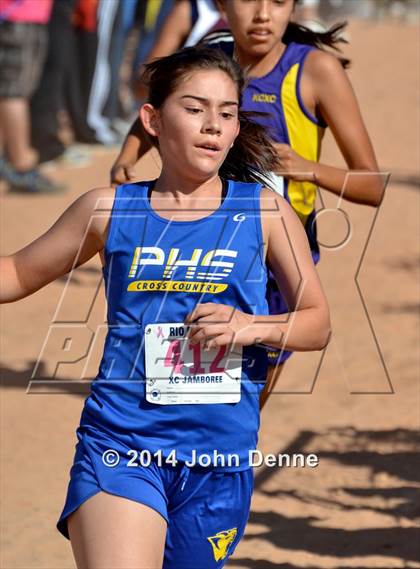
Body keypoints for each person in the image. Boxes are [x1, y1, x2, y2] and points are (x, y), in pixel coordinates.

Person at [1, 46, 330, 568]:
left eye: (226, 113)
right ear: (152, 119)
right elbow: (17, 272)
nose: (213, 126)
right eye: (195, 109)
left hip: (218, 458)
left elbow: (316, 323)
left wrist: (248, 325)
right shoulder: (109, 208)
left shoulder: (264, 210)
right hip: (121, 445)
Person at [111, 0, 383, 408]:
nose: (261, 14)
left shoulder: (315, 71)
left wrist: (306, 167)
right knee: (182, 393)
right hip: (209, 250)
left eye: (277, 2)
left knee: (243, 404)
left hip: (277, 264)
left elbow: (372, 186)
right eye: (247, 0)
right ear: (221, 5)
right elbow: (163, 105)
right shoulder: (211, 53)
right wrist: (126, 157)